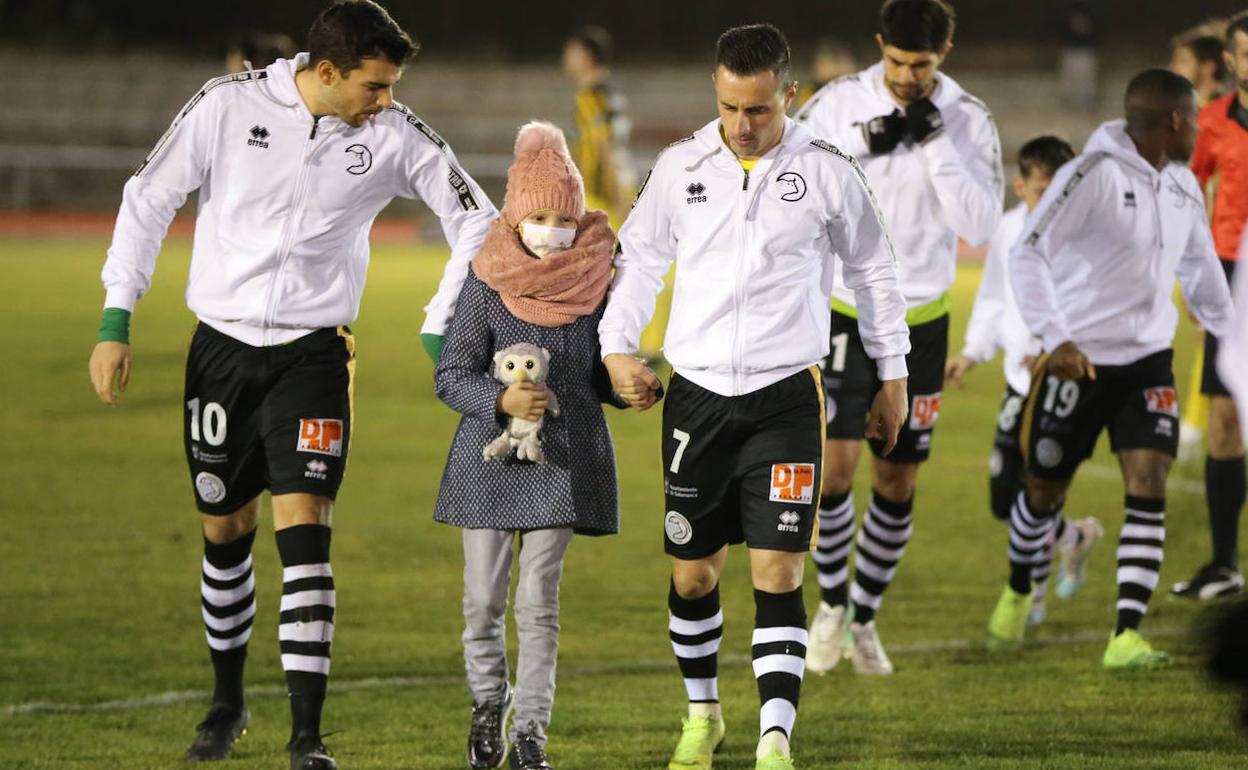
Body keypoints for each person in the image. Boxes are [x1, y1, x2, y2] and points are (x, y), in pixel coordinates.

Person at [87, 2, 495, 767]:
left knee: (305, 532)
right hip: (220, 352)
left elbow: (478, 219)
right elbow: (147, 197)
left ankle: (307, 736)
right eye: (375, 87)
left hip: (313, 355)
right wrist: (117, 319)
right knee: (224, 531)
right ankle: (225, 703)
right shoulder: (226, 105)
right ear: (328, 72)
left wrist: (441, 320)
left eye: (393, 87)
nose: (389, 102)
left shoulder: (395, 135)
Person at [599, 23, 910, 770]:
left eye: (760, 110)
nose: (743, 125)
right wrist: (615, 347)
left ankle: (776, 736)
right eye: (732, 107)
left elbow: (873, 271)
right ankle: (703, 715)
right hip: (697, 399)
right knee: (694, 575)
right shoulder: (680, 166)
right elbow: (639, 261)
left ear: (789, 95)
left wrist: (892, 374)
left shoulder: (828, 169)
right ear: (716, 89)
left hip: (786, 400)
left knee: (778, 571)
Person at [985, 68, 1234, 669]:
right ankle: (1021, 585)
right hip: (1080, 364)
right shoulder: (1089, 175)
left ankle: (1125, 634)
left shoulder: (1179, 184)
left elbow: (1200, 269)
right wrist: (1056, 337)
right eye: (1194, 119)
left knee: (1148, 485)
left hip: (1148, 362)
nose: (1198, 130)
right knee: (1042, 493)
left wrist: (1231, 336)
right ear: (1174, 120)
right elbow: (1028, 252)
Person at [795, 0, 1003, 674]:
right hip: (844, 306)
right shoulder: (838, 101)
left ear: (944, 53)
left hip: (920, 317)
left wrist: (935, 140)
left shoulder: (969, 119)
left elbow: (982, 222)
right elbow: (792, 172)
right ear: (879, 45)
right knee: (836, 466)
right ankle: (829, 605)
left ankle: (863, 617)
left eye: (922, 65)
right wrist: (869, 137)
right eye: (897, 61)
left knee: (897, 478)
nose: (908, 75)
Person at [432, 121, 626, 770]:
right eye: (538, 214)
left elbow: (605, 373)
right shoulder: (487, 282)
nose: (552, 228)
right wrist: (499, 400)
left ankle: (530, 738)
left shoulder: (596, 284)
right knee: (483, 602)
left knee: (538, 603)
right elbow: (451, 374)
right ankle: (488, 709)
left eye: (563, 216)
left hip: (563, 460)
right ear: (515, 215)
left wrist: (632, 384)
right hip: (488, 461)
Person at [945, 135, 1103, 628]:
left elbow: (1097, 297)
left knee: (1034, 489)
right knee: (1003, 496)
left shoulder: (1088, 232)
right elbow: (993, 297)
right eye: (1042, 190)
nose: (1054, 202)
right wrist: (973, 351)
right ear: (1021, 186)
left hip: (1062, 378)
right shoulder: (1011, 230)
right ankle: (1072, 537)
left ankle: (1032, 595)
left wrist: (1059, 343)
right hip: (1020, 377)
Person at [1171, 12, 1248, 602]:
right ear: (1230, 61)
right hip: (1230, 278)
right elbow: (1183, 193)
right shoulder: (1212, 123)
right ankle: (1224, 564)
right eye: (1245, 54)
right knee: (1225, 420)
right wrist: (1195, 273)